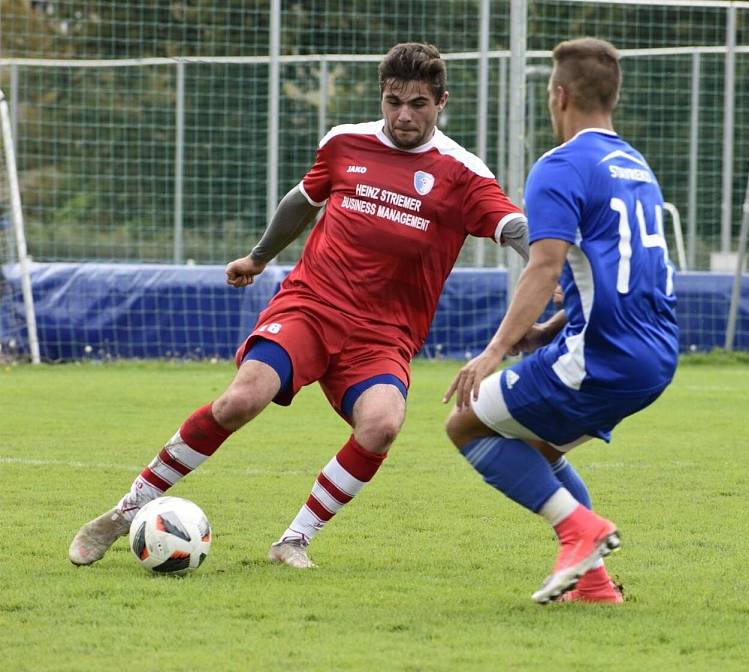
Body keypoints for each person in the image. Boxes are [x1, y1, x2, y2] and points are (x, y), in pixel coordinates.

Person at [69, 42, 529, 569]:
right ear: (382, 96)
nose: (404, 114)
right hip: (312, 306)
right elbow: (304, 199)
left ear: (441, 102)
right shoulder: (345, 143)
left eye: (418, 104)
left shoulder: (462, 173)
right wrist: (259, 257)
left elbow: (511, 226)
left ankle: (294, 539)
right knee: (241, 400)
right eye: (393, 100)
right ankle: (126, 511)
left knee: (381, 424)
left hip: (384, 334)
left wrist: (551, 262)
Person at [443, 38, 679, 604]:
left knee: (466, 423)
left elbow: (543, 267)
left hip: (602, 356)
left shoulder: (561, 165)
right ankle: (594, 584)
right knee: (536, 449)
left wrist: (495, 350)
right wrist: (546, 331)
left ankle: (582, 531)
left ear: (559, 95)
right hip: (656, 355)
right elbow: (621, 276)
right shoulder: (636, 167)